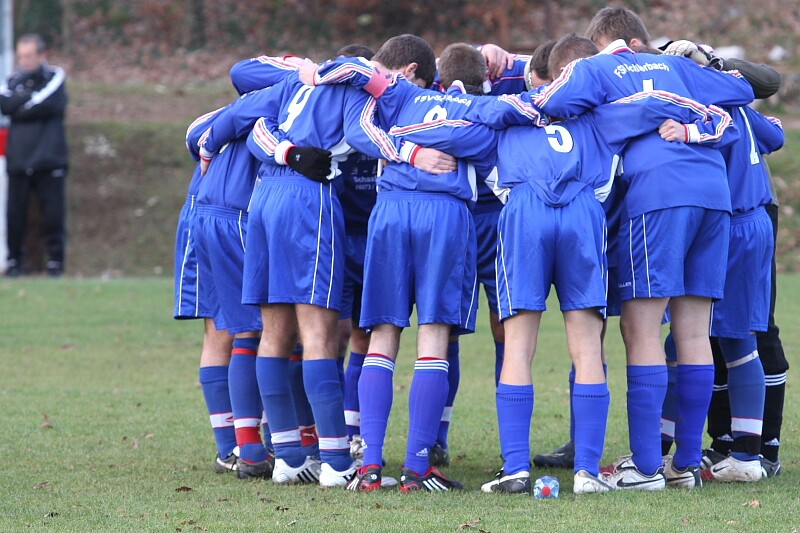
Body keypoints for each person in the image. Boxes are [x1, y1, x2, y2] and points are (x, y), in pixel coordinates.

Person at [534, 9, 755, 490]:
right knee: (693, 332)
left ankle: (647, 467)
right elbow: (741, 89)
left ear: (601, 41)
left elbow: (548, 100)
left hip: (657, 195)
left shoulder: (595, 67)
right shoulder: (675, 65)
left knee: (641, 327)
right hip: (713, 195)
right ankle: (686, 465)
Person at [0, 34, 68, 277]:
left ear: (42, 55)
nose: (25, 61)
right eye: (21, 56)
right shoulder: (12, 80)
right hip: (18, 160)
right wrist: (22, 104)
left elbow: (46, 102)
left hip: (49, 159)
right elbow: (5, 104)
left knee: (53, 215)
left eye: (29, 56)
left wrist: (19, 106)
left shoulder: (55, 76)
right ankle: (14, 262)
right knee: (15, 215)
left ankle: (56, 263)